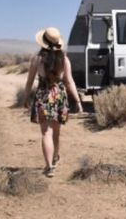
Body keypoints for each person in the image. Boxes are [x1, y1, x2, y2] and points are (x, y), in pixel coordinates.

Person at [24, 27, 83, 177]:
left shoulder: (37, 59)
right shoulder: (64, 59)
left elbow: (30, 81)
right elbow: (69, 82)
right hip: (59, 96)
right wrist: (77, 100)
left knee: (46, 132)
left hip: (43, 95)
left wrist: (26, 97)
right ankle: (55, 158)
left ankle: (49, 166)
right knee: (56, 132)